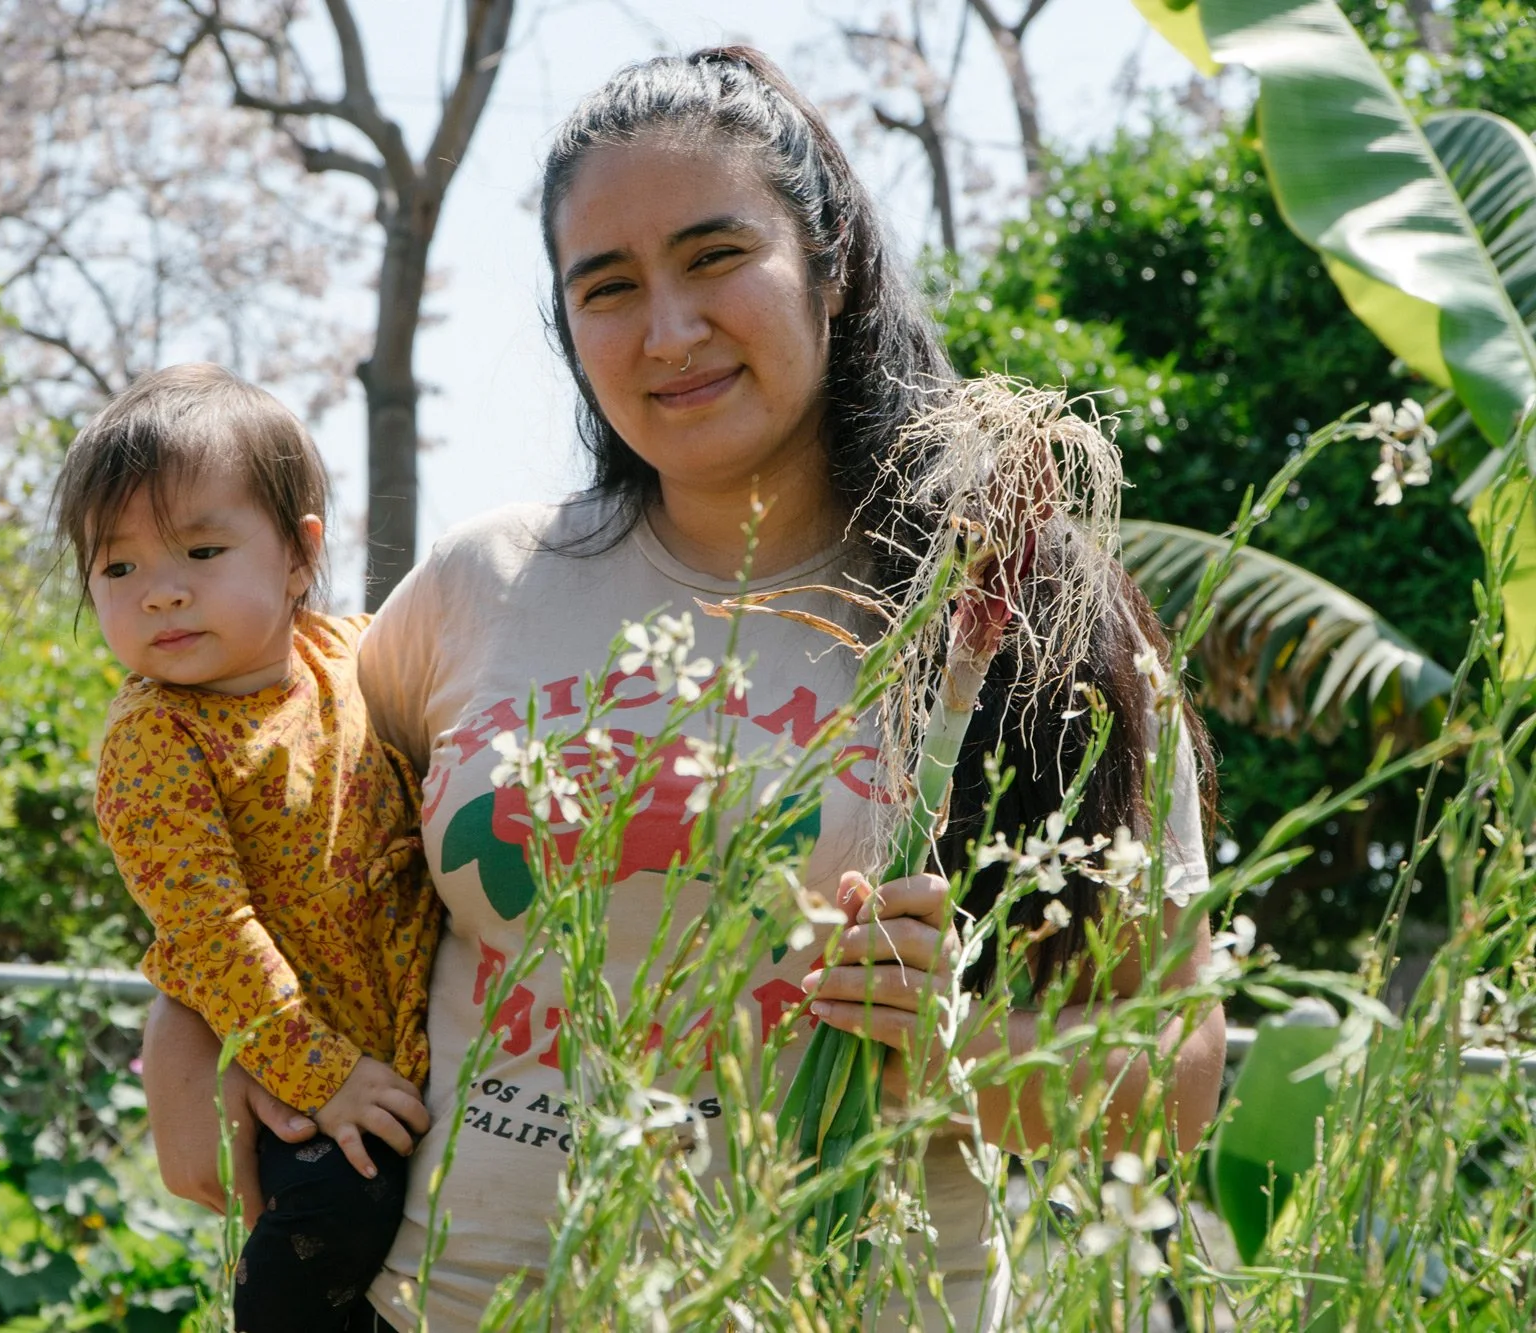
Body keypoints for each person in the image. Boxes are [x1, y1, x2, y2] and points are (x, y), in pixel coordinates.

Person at [140, 49, 1227, 1331]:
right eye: (607, 287)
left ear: (829, 268)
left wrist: (950, 1050)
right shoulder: (478, 583)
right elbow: (275, 825)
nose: (667, 331)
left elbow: (1175, 1077)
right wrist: (191, 1021)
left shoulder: (1011, 605)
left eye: (715, 258)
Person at [53, 363, 442, 1332]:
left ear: (299, 554)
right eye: (118, 567)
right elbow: (209, 929)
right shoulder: (157, 738)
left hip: (401, 1045)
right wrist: (320, 1072)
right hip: (303, 1077)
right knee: (334, 1214)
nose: (159, 594)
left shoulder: (349, 654)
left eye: (200, 549)